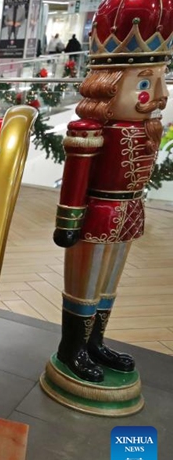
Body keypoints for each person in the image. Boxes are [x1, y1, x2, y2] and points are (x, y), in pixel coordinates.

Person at [52, 0, 170, 383]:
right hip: (96, 213)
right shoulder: (89, 131)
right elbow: (76, 179)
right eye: (144, 82)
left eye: (159, 79)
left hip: (129, 212)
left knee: (108, 284)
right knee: (86, 285)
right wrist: (68, 220)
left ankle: (95, 343)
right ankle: (72, 348)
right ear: (109, 85)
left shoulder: (145, 129)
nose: (159, 92)